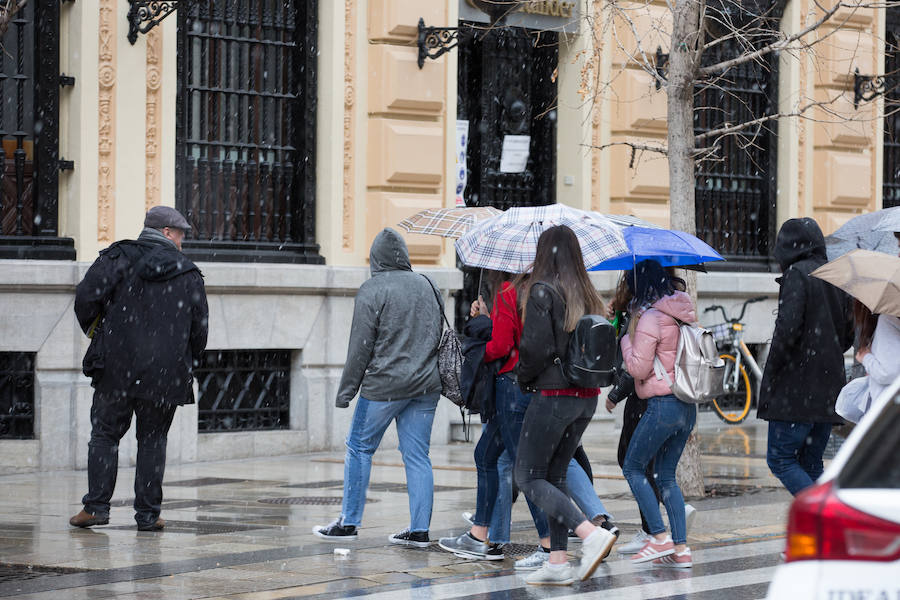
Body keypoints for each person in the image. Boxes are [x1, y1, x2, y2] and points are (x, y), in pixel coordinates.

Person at [69, 206, 208, 531]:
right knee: (153, 439)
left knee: (104, 435)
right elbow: (199, 329)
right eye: (180, 234)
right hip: (165, 373)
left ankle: (96, 508)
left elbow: (85, 298)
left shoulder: (118, 257)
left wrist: (100, 332)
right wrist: (183, 357)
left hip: (116, 367)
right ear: (165, 233)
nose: (183, 241)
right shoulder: (187, 272)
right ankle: (147, 515)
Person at [313, 228, 442, 547]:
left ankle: (349, 522)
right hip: (426, 385)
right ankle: (419, 529)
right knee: (417, 456)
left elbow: (360, 346)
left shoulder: (373, 289)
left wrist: (346, 392)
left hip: (384, 386)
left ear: (376, 260)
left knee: (359, 447)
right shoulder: (428, 284)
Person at [514, 225, 618, 586]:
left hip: (554, 397)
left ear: (545, 253)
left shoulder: (543, 291)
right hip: (585, 398)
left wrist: (523, 377)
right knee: (556, 477)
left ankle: (590, 534)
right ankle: (557, 562)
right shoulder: (589, 293)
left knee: (527, 476)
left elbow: (534, 350)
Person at [757, 218, 854, 495]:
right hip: (828, 391)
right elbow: (848, 333)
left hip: (796, 392)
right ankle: (830, 520)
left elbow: (786, 331)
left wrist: (773, 373)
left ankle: (822, 518)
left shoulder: (798, 274)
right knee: (811, 464)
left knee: (781, 459)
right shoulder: (834, 275)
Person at [605, 271, 696, 554]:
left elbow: (638, 369)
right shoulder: (683, 311)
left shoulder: (649, 317)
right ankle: (680, 550)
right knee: (666, 475)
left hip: (661, 405)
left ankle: (656, 536)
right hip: (687, 404)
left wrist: (625, 340)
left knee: (633, 467)